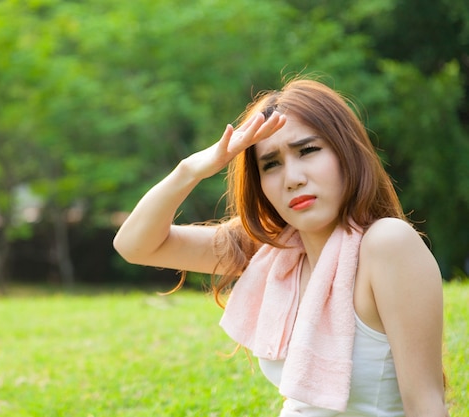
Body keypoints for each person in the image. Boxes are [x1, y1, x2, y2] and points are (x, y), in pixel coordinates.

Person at [113, 77, 448, 416]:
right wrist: (192, 169)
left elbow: (426, 404)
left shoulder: (387, 244)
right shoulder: (271, 251)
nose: (293, 178)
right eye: (271, 164)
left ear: (347, 152)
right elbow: (134, 246)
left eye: (308, 150)